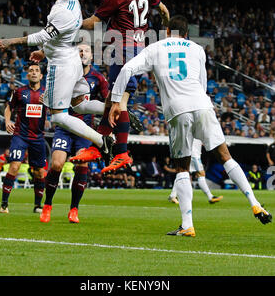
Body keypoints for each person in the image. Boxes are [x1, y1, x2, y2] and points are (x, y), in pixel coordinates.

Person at [108, 15, 272, 237]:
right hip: (202, 105)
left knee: (182, 168)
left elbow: (127, 69)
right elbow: (203, 84)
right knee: (226, 156)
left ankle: (187, 225)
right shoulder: (197, 49)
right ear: (186, 33)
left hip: (178, 109)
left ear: (167, 31)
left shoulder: (156, 47)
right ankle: (254, 201)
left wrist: (117, 102)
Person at [0, 0, 114, 174]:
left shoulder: (66, 11)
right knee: (79, 105)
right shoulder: (65, 1)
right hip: (71, 59)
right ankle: (112, 108)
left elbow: (42, 35)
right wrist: (43, 52)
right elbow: (55, 37)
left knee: (58, 116)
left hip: (62, 65)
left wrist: (11, 41)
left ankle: (102, 141)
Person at [71, 0, 169, 173]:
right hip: (139, 51)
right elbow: (163, 10)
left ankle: (122, 152)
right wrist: (166, 31)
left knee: (119, 103)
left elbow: (93, 23)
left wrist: (70, 24)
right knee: (112, 100)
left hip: (121, 51)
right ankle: (100, 145)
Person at [40, 43, 109, 223]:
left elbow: (108, 102)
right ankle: (47, 205)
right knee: (56, 164)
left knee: (82, 165)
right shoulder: (65, 72)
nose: (82, 53)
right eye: (79, 50)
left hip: (84, 130)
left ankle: (74, 209)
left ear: (92, 57)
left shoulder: (98, 78)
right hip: (64, 127)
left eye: (86, 50)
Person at [0, 63, 46, 213]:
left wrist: (48, 103)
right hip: (21, 135)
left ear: (41, 76)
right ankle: (4, 204)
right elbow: (9, 107)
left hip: (38, 137)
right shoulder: (19, 92)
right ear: (27, 75)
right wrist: (7, 121)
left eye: (36, 71)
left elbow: (55, 110)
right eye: (31, 70)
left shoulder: (47, 93)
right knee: (14, 166)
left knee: (39, 171)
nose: (33, 73)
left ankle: (38, 206)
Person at [168, 138, 223, 204]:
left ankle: (172, 195)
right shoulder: (196, 129)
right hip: (194, 154)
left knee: (182, 173)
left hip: (190, 153)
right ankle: (210, 197)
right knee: (201, 174)